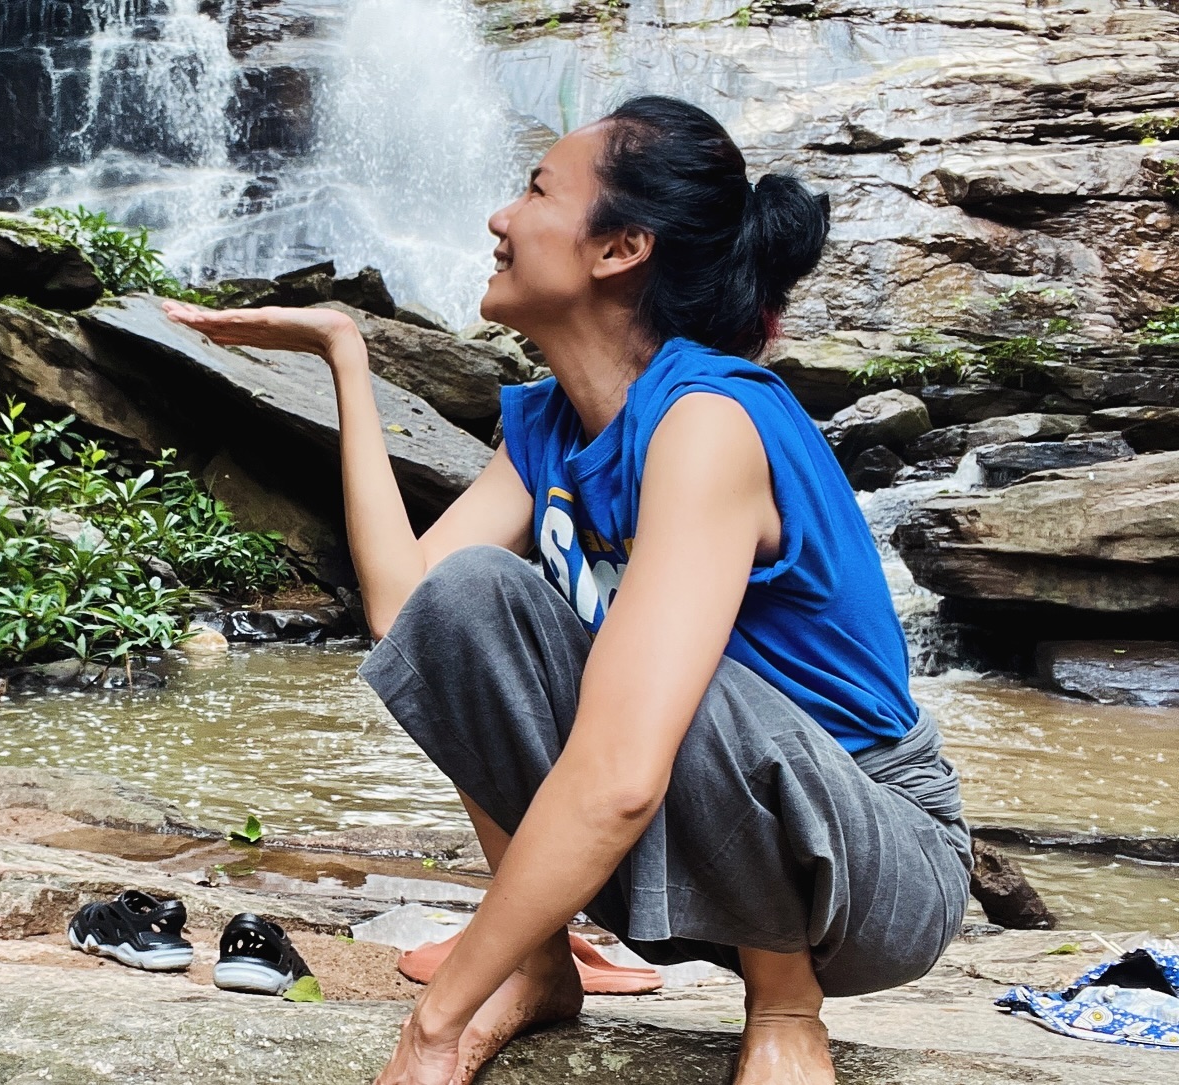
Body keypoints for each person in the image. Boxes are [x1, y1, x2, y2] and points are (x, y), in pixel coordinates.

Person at [165, 94, 971, 1085]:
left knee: (673, 676)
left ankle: (784, 1000)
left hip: (874, 864)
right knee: (470, 597)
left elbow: (627, 771)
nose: (500, 217)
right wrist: (347, 354)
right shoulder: (549, 420)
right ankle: (543, 964)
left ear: (621, 247)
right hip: (701, 852)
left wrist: (433, 1028)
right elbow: (409, 611)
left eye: (537, 190)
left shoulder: (707, 420)